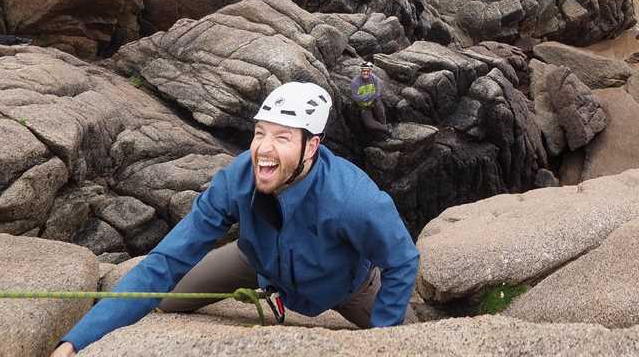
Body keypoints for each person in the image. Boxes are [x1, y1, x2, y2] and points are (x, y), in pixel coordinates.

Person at [51, 81, 419, 356]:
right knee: (167, 297)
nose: (264, 149)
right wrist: (75, 341)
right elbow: (167, 261)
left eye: (283, 137)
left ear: (313, 146)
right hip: (257, 262)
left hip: (346, 284)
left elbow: (401, 260)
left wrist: (381, 340)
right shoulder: (237, 179)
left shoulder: (355, 199)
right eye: (259, 134)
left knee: (410, 337)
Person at [349, 61, 391, 140]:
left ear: (370, 71)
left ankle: (384, 136)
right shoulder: (355, 82)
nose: (365, 72)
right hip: (363, 106)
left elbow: (378, 93)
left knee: (381, 115)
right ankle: (386, 128)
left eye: (367, 71)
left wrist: (367, 97)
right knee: (369, 123)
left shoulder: (374, 79)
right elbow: (356, 98)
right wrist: (370, 95)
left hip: (375, 102)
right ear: (361, 71)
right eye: (363, 71)